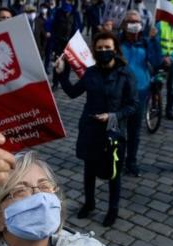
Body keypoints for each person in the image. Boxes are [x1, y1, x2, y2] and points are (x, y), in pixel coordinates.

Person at [55, 32, 139, 226]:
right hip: (90, 128)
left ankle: (113, 209)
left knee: (114, 172)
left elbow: (133, 105)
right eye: (99, 48)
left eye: (107, 48)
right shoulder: (91, 72)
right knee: (89, 169)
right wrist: (61, 73)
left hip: (113, 128)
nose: (103, 51)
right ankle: (89, 203)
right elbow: (73, 92)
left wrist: (113, 116)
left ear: (115, 50)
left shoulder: (126, 74)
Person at [120, 10, 161, 177]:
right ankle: (118, 160)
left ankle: (132, 162)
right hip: (119, 94)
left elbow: (157, 62)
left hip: (140, 93)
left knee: (134, 132)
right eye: (130, 21)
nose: (133, 23)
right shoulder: (117, 42)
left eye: (136, 21)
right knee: (118, 131)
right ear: (123, 24)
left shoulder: (145, 42)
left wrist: (154, 40)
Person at [50, 0, 82, 90]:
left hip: (70, 43)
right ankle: (55, 83)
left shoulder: (75, 13)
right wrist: (55, 40)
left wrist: (76, 38)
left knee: (68, 64)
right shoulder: (58, 12)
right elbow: (54, 27)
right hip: (59, 42)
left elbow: (80, 26)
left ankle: (65, 82)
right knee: (57, 62)